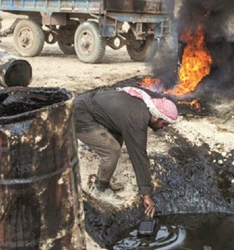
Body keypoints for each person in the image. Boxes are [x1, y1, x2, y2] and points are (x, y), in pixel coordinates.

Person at [73, 86, 179, 217]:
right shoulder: (137, 118)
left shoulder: (142, 104)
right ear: (156, 116)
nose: (164, 127)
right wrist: (146, 194)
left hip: (87, 105)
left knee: (118, 139)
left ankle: (104, 178)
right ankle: (100, 188)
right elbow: (139, 157)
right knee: (112, 151)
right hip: (80, 115)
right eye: (164, 123)